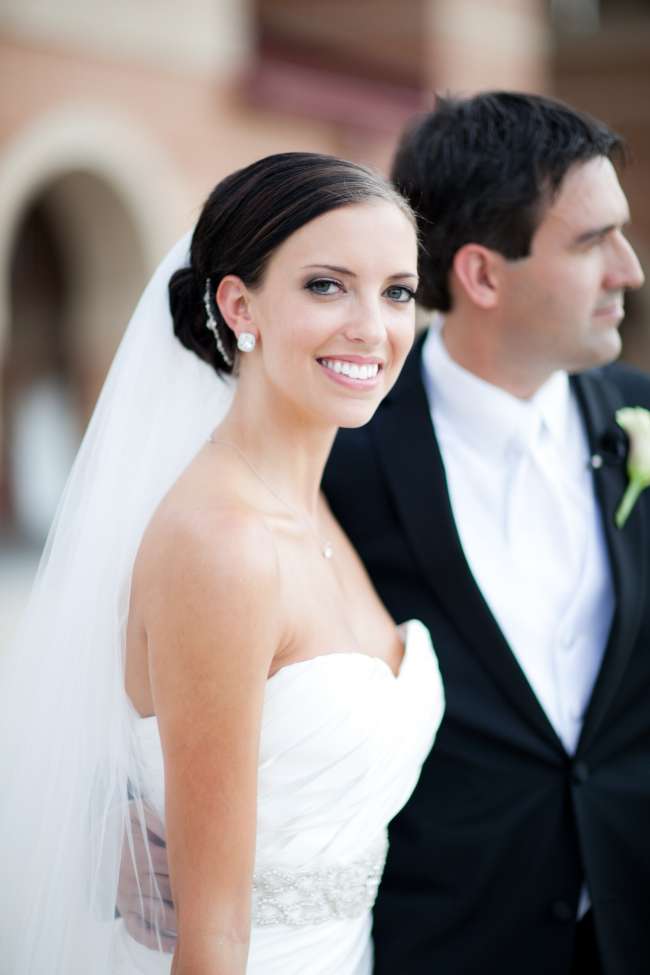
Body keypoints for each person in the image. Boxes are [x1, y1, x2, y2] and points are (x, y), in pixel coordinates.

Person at [0, 153, 444, 975]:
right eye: (325, 285)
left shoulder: (315, 509)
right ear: (240, 304)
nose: (371, 326)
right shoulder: (222, 543)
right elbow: (213, 938)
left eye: (397, 291)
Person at [324, 92, 648, 975]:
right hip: (449, 941)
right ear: (482, 274)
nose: (630, 269)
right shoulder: (340, 459)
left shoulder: (643, 418)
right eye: (591, 242)